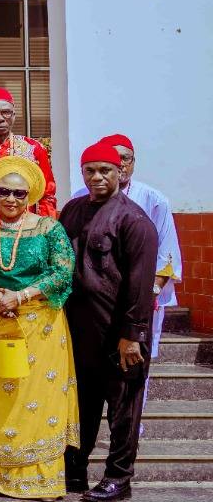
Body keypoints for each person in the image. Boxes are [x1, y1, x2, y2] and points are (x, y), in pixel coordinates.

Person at [0, 155, 77, 500]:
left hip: (40, 325)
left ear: (30, 195)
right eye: (4, 191)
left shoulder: (49, 228)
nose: (12, 199)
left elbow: (62, 271)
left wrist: (21, 296)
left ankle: (44, 479)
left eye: (20, 193)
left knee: (39, 399)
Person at [61, 141, 157, 502]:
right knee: (81, 406)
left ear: (121, 172)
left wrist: (132, 335)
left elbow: (140, 284)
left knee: (122, 410)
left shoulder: (133, 220)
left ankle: (119, 478)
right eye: (90, 170)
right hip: (80, 331)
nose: (97, 177)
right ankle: (75, 472)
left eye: (105, 170)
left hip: (119, 336)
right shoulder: (71, 211)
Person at [81, 135, 182, 361]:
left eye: (126, 158)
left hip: (140, 298)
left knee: (133, 368)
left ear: (133, 161)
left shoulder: (155, 200)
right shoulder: (80, 198)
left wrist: (150, 294)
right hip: (95, 303)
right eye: (116, 158)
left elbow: (166, 255)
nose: (122, 163)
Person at [0, 87, 56, 216]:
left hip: (25, 228)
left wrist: (43, 228)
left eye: (6, 112)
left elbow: (47, 194)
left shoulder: (33, 149)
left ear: (14, 116)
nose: (0, 118)